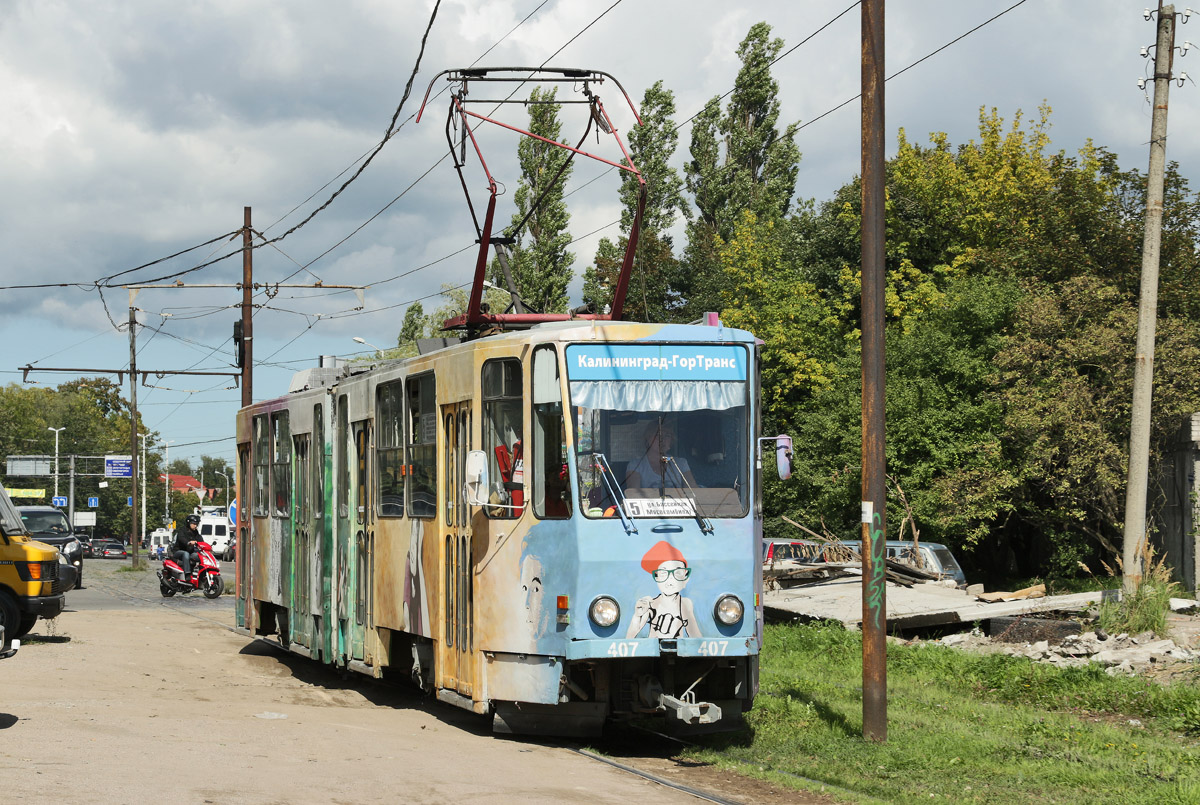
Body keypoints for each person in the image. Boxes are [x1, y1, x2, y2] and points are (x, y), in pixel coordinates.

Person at [625, 420, 699, 490]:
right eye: (658, 435)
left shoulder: (681, 463)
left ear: (671, 440)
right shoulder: (635, 465)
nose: (662, 439)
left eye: (667, 436)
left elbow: (693, 492)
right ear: (648, 438)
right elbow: (633, 495)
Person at [172, 514, 201, 581]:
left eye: (196, 524)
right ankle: (187, 574)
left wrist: (206, 546)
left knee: (198, 555)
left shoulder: (195, 532)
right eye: (193, 524)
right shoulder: (182, 530)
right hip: (178, 552)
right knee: (186, 554)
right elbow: (181, 539)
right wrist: (188, 542)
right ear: (189, 523)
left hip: (190, 552)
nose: (195, 526)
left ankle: (199, 573)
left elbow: (200, 539)